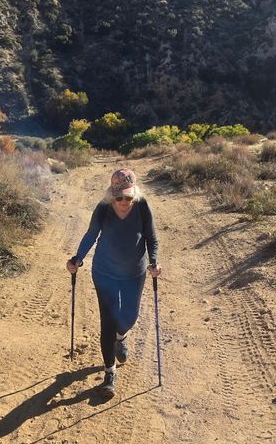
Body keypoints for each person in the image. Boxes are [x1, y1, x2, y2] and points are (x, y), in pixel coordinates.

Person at [66, 168, 162, 398]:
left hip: (134, 273)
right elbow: (91, 235)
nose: (123, 202)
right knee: (108, 322)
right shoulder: (103, 208)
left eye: (128, 197)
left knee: (128, 317)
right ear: (112, 195)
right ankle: (109, 373)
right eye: (118, 197)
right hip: (105, 272)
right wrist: (77, 258)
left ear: (135, 194)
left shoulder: (142, 206)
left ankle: (121, 337)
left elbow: (151, 237)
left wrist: (154, 261)